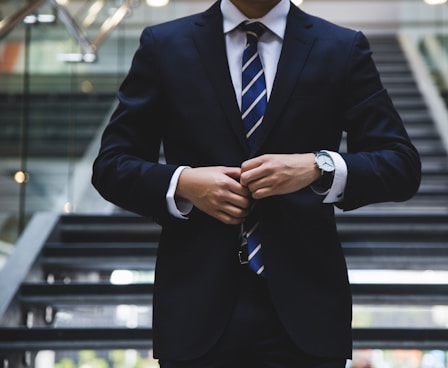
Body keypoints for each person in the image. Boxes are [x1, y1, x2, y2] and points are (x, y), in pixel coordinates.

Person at [92, 0, 422, 366]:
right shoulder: (165, 44)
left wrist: (318, 166)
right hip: (195, 308)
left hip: (307, 313)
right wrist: (183, 182)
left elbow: (400, 165)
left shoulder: (341, 47)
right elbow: (111, 166)